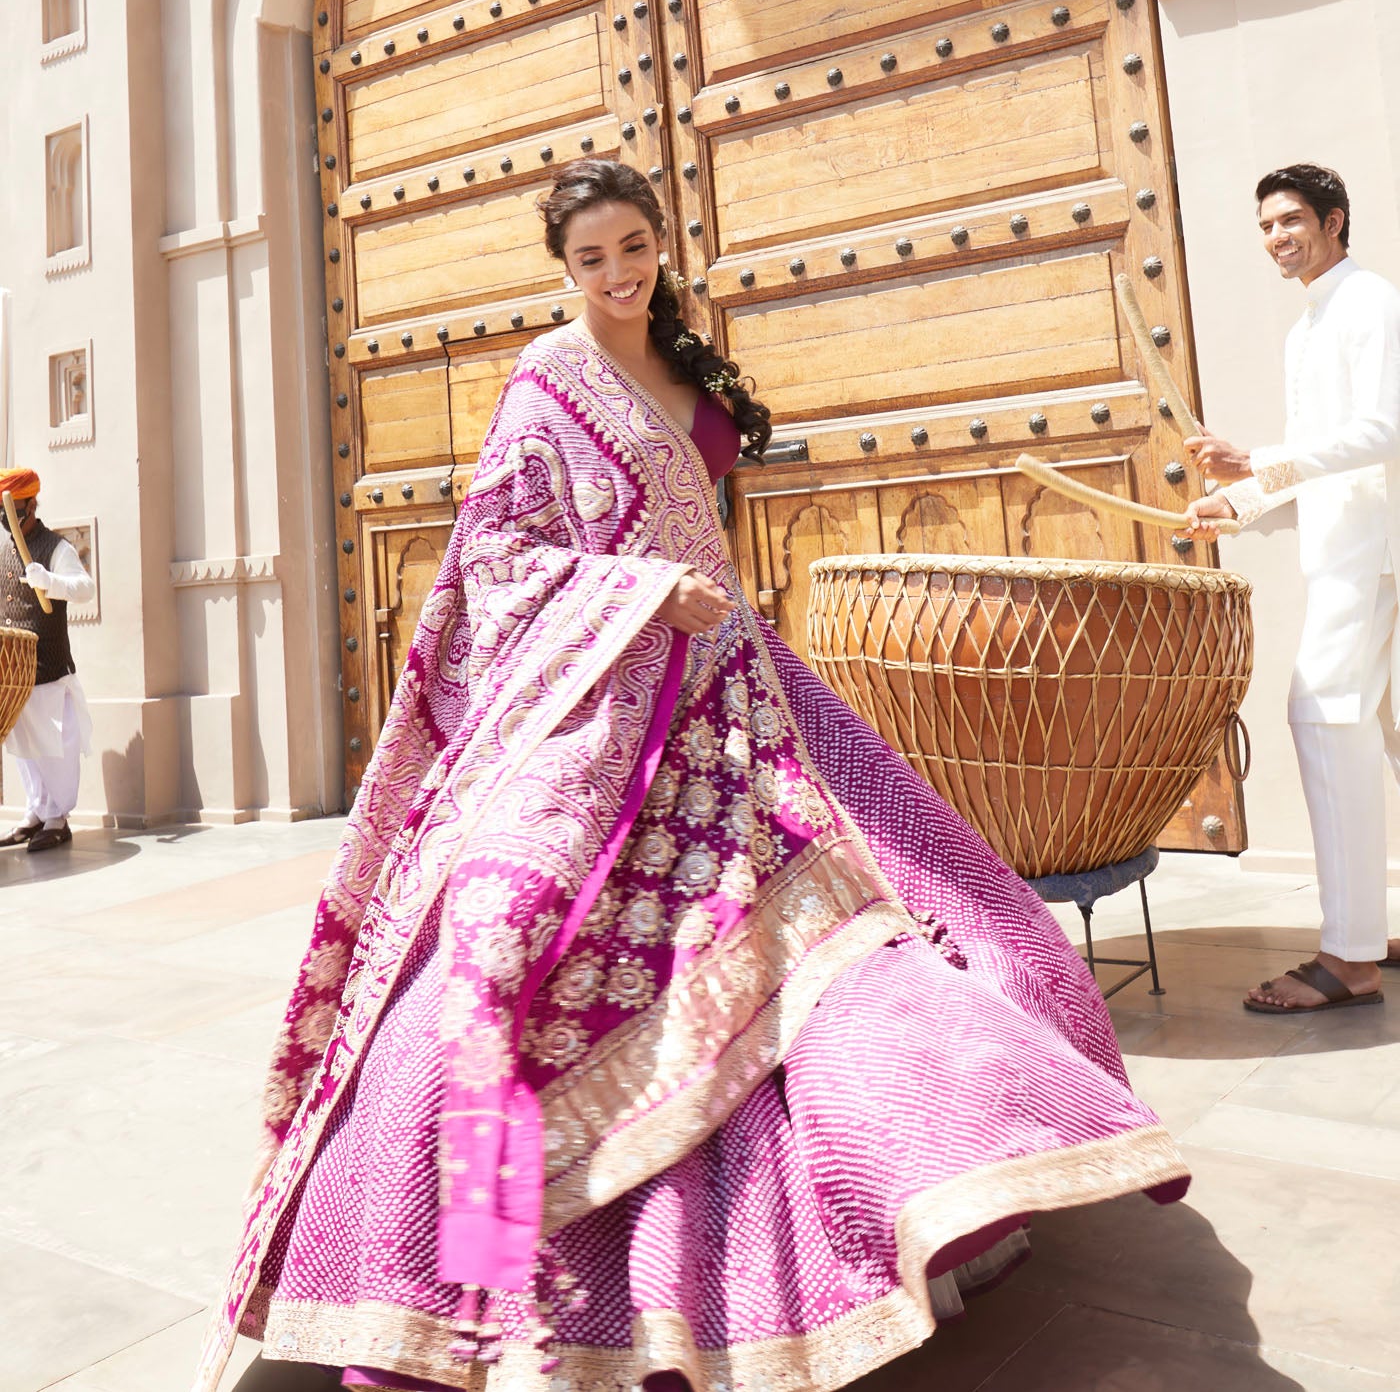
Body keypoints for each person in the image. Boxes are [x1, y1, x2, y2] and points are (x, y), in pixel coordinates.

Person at [197, 159, 1186, 1392]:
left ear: (661, 243)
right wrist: (636, 592)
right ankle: (467, 1284)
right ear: (562, 271)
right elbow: (494, 552)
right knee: (501, 941)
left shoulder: (690, 358)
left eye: (632, 249)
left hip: (739, 687)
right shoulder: (547, 384)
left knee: (899, 910)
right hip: (601, 700)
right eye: (590, 259)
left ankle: (923, 1184)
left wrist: (699, 599)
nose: (616, 276)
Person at [1186, 164, 1400, 1014]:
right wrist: (1236, 499)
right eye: (1266, 226)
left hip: (1375, 555)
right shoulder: (1306, 328)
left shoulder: (1371, 302)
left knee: (1320, 714)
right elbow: (1319, 454)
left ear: (1335, 220)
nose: (1277, 237)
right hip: (1352, 549)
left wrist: (1261, 464)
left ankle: (1347, 959)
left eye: (1292, 220)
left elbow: (1384, 429)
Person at [0, 466, 94, 853]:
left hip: (49, 666)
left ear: (30, 506)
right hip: (13, 671)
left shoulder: (56, 547)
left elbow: (85, 588)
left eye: (13, 512)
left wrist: (51, 583)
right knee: (23, 744)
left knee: (54, 746)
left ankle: (58, 818)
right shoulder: (4, 545)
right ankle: (36, 811)